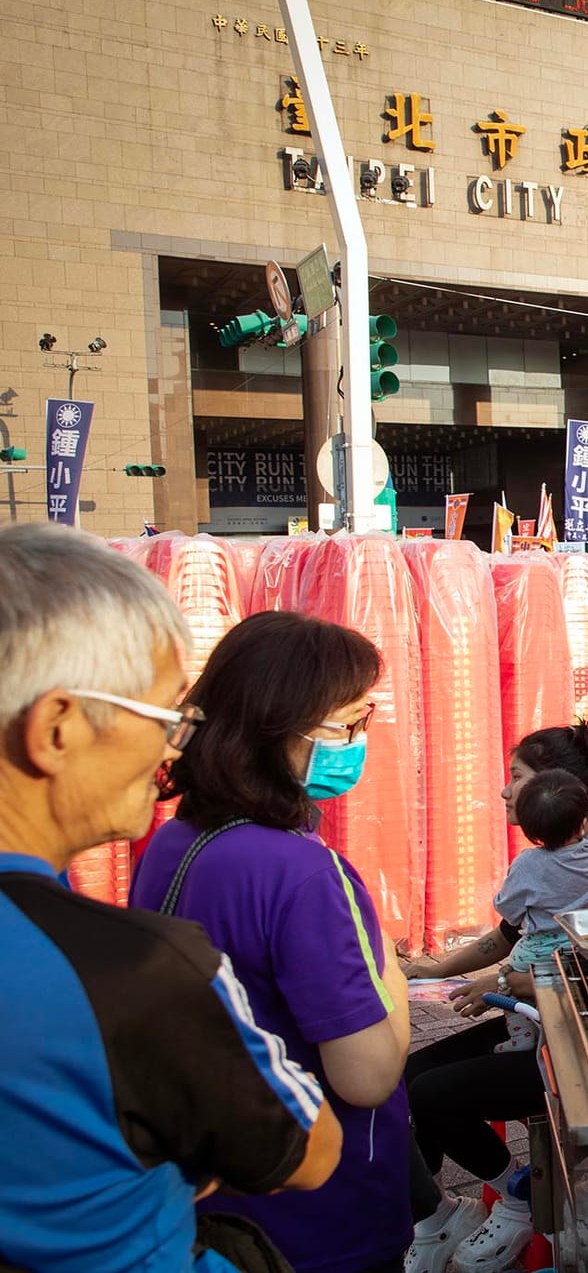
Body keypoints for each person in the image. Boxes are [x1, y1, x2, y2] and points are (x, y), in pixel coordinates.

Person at [1, 524, 341, 1273]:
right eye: (163, 717)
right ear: (56, 728)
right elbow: (308, 1149)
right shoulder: (129, 970)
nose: (171, 747)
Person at [130, 610, 414, 1273]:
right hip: (320, 1215)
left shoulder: (173, 841)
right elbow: (367, 1075)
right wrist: (391, 974)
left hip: (214, 1193)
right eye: (347, 725)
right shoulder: (305, 871)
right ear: (272, 728)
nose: (358, 742)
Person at [402, 725, 588, 1273]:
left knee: (431, 1094)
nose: (504, 791)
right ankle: (431, 1215)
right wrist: (434, 970)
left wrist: (504, 985)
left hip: (581, 1048)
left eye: (517, 777)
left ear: (554, 786)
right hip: (533, 1021)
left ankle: (518, 1194)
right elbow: (504, 935)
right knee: (409, 1075)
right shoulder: (579, 839)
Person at [488, 768, 588, 1052]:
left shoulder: (529, 863)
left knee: (510, 981)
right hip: (573, 943)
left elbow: (507, 908)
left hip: (535, 949)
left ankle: (522, 1037)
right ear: (584, 824)